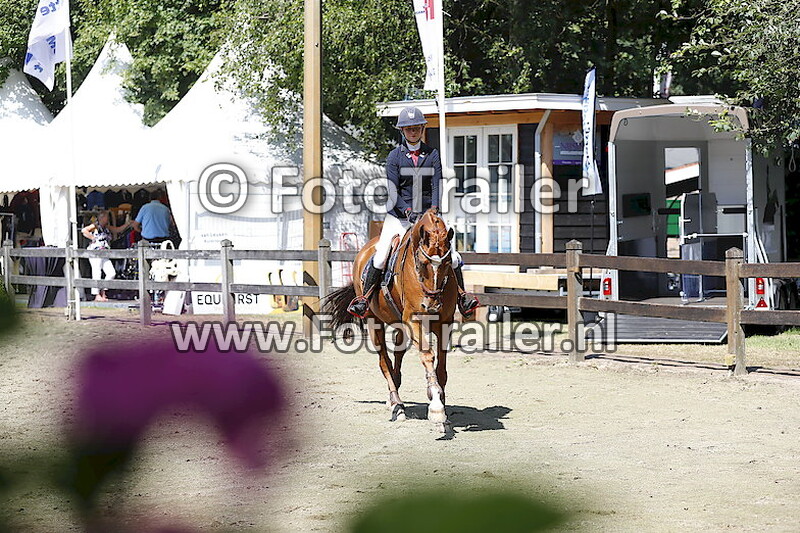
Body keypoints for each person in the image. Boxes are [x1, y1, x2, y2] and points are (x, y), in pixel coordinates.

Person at [347, 106, 479, 318]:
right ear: (402, 131)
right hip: (399, 216)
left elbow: (437, 184)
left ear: (421, 129)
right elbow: (392, 190)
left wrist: (433, 210)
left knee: (452, 257)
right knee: (380, 256)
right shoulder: (394, 157)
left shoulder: (432, 154)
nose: (413, 132)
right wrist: (408, 211)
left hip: (428, 215)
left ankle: (463, 297)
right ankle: (364, 299)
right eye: (409, 129)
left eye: (416, 128)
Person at [81, 211, 131, 302]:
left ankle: (103, 290)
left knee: (111, 273)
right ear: (101, 218)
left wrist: (127, 224)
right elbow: (84, 230)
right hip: (95, 251)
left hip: (104, 252)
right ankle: (96, 294)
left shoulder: (107, 228)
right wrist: (93, 238)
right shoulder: (95, 226)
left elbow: (117, 230)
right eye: (106, 217)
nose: (107, 219)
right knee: (97, 272)